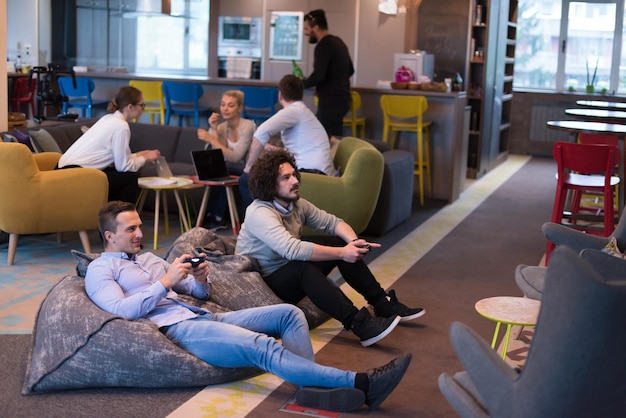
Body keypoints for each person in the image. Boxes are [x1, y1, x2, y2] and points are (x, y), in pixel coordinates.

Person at [84, 200, 412, 413]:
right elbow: (123, 310)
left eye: (140, 226)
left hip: (202, 315)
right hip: (178, 331)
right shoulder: (101, 270)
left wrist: (200, 277)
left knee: (290, 313)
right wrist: (166, 281)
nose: (140, 233)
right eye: (131, 229)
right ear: (109, 236)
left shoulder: (148, 259)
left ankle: (310, 389)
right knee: (263, 347)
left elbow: (197, 293)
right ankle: (361, 383)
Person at [235, 149, 425, 347]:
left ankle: (381, 303)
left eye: (294, 174)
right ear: (269, 184)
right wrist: (343, 254)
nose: (295, 181)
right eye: (286, 178)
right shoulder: (259, 212)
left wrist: (353, 243)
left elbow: (332, 223)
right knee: (304, 267)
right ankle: (360, 324)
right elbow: (291, 250)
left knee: (338, 242)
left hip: (285, 268)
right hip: (261, 283)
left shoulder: (297, 204)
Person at [238, 74, 335, 208]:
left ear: (280, 96)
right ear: (301, 95)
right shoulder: (304, 112)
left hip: (312, 173)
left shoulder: (293, 111)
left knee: (246, 180)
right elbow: (298, 151)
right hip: (318, 171)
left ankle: (259, 224)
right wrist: (268, 147)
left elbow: (261, 132)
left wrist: (248, 168)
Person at [57, 85, 161, 203]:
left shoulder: (109, 118)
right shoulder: (121, 127)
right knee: (129, 178)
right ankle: (123, 219)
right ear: (130, 107)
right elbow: (123, 167)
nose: (143, 109)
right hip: (74, 175)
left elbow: (116, 159)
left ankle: (112, 216)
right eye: (142, 105)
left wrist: (138, 155)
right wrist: (145, 159)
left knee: (116, 175)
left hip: (62, 170)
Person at [196, 90, 255, 228]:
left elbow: (236, 157)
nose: (225, 108)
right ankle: (213, 216)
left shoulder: (248, 126)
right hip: (228, 168)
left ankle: (214, 217)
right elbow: (216, 155)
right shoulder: (222, 127)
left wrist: (211, 138)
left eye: (230, 105)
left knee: (222, 169)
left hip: (247, 169)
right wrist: (214, 129)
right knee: (216, 170)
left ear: (240, 108)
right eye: (223, 105)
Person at [302, 9, 355, 138]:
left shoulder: (323, 46)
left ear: (316, 27)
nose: (306, 33)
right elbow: (351, 70)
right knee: (335, 137)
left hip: (330, 102)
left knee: (325, 140)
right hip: (343, 100)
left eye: (307, 29)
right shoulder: (339, 42)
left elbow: (319, 76)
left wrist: (301, 83)